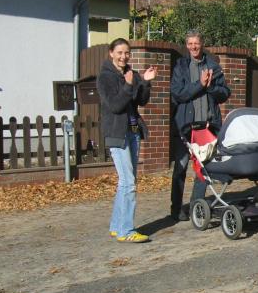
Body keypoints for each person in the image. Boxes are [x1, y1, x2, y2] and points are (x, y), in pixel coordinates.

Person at [97, 38, 158, 243]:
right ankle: (126, 231)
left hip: (133, 131)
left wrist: (146, 81)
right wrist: (128, 85)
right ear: (111, 53)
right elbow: (115, 105)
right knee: (128, 182)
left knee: (126, 182)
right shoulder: (105, 77)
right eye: (120, 53)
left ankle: (117, 227)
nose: (124, 57)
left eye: (127, 53)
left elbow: (141, 100)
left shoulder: (131, 73)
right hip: (117, 133)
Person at [170, 30, 231, 221]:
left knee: (203, 169)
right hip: (185, 127)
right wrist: (200, 84)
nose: (193, 47)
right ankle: (176, 209)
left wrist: (210, 86)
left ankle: (196, 207)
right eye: (190, 43)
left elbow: (225, 93)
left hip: (207, 126)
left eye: (196, 43)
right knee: (180, 168)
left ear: (202, 44)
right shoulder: (181, 66)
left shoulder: (213, 66)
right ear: (186, 45)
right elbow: (178, 93)